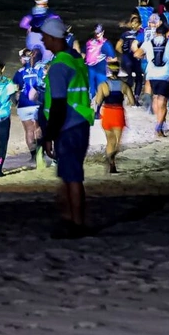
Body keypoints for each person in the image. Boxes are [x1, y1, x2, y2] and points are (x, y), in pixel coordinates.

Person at [39, 16, 95, 239]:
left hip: (68, 127)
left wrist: (49, 136)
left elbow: (58, 105)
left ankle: (76, 224)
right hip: (80, 122)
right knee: (70, 175)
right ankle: (70, 218)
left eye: (44, 37)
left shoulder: (59, 67)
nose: (42, 41)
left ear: (53, 38)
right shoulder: (75, 59)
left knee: (72, 177)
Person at [92, 56, 133, 172]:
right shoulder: (124, 85)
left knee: (110, 141)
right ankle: (113, 155)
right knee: (118, 143)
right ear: (118, 70)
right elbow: (132, 101)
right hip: (118, 113)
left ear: (109, 70)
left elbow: (98, 101)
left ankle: (112, 164)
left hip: (107, 113)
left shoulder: (103, 85)